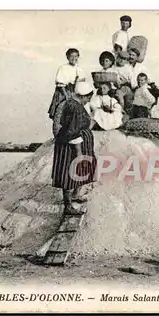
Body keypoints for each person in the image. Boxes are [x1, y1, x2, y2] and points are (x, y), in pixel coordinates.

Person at [52, 82, 97, 216]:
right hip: (71, 146)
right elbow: (73, 131)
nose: (88, 100)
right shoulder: (75, 108)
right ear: (84, 96)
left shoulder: (72, 104)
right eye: (88, 97)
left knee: (79, 171)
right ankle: (68, 206)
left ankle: (75, 195)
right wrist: (79, 153)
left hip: (75, 142)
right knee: (69, 173)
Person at [48, 48, 86, 119]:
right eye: (71, 56)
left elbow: (81, 83)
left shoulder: (79, 69)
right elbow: (61, 84)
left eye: (76, 56)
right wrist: (66, 95)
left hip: (75, 91)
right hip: (64, 91)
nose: (74, 58)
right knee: (61, 112)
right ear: (67, 57)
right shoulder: (63, 68)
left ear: (78, 57)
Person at [114, 50, 135, 115]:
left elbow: (132, 78)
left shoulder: (128, 68)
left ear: (126, 61)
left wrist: (133, 86)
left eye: (124, 59)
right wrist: (119, 83)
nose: (121, 61)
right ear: (117, 57)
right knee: (121, 100)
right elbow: (116, 79)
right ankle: (121, 113)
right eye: (120, 58)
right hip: (119, 88)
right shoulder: (114, 68)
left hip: (128, 87)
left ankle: (129, 114)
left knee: (130, 100)